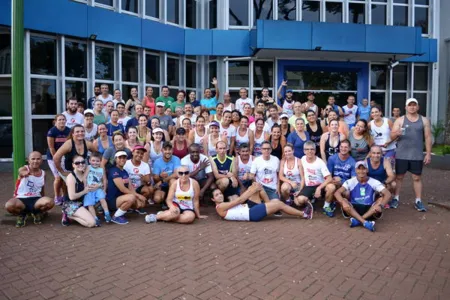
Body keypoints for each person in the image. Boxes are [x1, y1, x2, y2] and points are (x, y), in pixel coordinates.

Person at [390, 98, 432, 212]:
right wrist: (396, 133)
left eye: (414, 105)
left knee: (417, 178)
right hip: (401, 154)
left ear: (417, 107)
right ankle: (396, 198)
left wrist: (428, 153)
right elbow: (392, 136)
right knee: (399, 177)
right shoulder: (399, 120)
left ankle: (418, 201)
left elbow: (428, 137)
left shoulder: (424, 120)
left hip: (416, 154)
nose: (412, 107)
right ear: (406, 107)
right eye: (410, 105)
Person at [334, 161, 392, 232]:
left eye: (363, 169)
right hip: (354, 209)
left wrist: (381, 206)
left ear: (367, 170)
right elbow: (337, 193)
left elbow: (388, 194)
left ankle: (358, 220)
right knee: (344, 200)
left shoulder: (374, 182)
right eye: (359, 169)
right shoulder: (350, 181)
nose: (361, 171)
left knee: (380, 200)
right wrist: (343, 202)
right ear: (355, 170)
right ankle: (365, 223)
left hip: (369, 209)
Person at [212, 182, 313, 222]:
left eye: (220, 193)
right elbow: (240, 200)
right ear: (213, 200)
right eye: (217, 195)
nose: (220, 195)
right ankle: (304, 214)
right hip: (251, 214)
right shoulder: (220, 207)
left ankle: (270, 207)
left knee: (255, 185)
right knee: (280, 204)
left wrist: (253, 188)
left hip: (249, 208)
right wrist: (250, 191)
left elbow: (240, 201)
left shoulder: (223, 205)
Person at [5, 152, 54, 227]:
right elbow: (21, 171)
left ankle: (37, 213)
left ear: (41, 160)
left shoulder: (43, 173)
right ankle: (22, 214)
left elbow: (42, 187)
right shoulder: (24, 168)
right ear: (28, 160)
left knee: (50, 202)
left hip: (35, 199)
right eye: (33, 159)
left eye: (38, 159)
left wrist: (43, 200)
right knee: (9, 205)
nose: (35, 161)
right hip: (21, 199)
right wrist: (24, 173)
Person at [106, 151, 147, 225]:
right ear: (115, 159)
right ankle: (116, 216)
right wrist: (138, 196)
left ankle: (125, 209)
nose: (122, 159)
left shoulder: (124, 171)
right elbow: (123, 189)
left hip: (121, 198)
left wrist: (138, 198)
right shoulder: (113, 171)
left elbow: (130, 188)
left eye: (124, 157)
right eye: (120, 157)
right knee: (131, 198)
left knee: (140, 204)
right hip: (112, 201)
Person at [60, 154, 96, 227]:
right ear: (73, 165)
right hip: (70, 204)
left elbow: (92, 166)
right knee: (92, 223)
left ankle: (74, 214)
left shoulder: (84, 174)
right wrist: (84, 191)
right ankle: (69, 215)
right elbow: (72, 197)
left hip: (81, 202)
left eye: (83, 162)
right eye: (77, 163)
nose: (81, 164)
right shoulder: (71, 177)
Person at [294, 141, 332, 209]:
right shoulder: (302, 159)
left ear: (315, 150)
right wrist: (300, 189)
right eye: (307, 149)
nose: (309, 151)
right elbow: (302, 176)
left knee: (331, 187)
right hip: (309, 186)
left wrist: (319, 188)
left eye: (312, 149)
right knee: (299, 201)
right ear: (304, 151)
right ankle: (310, 202)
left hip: (320, 185)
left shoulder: (320, 162)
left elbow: (329, 178)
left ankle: (326, 206)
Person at [324, 140, 356, 217]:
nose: (343, 149)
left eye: (346, 147)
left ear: (349, 149)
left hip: (344, 185)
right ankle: (326, 206)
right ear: (339, 147)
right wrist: (333, 181)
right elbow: (327, 176)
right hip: (333, 183)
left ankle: (343, 205)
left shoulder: (352, 161)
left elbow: (353, 180)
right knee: (330, 187)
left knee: (348, 192)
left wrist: (341, 181)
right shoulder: (332, 158)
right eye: (341, 147)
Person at [47, 114, 71, 205]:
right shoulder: (52, 131)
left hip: (65, 157)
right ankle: (57, 196)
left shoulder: (68, 130)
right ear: (55, 121)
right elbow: (51, 147)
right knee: (58, 178)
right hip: (53, 157)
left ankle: (65, 196)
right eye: (59, 120)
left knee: (65, 178)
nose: (62, 121)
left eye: (63, 119)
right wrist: (56, 159)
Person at [83, 152, 110, 226]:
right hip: (89, 190)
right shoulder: (89, 167)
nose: (95, 163)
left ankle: (107, 213)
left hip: (98, 189)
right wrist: (85, 188)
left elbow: (104, 179)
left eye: (97, 161)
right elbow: (84, 178)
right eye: (93, 160)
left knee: (102, 199)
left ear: (100, 161)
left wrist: (104, 189)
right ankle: (95, 218)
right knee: (90, 204)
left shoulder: (101, 169)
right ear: (90, 161)